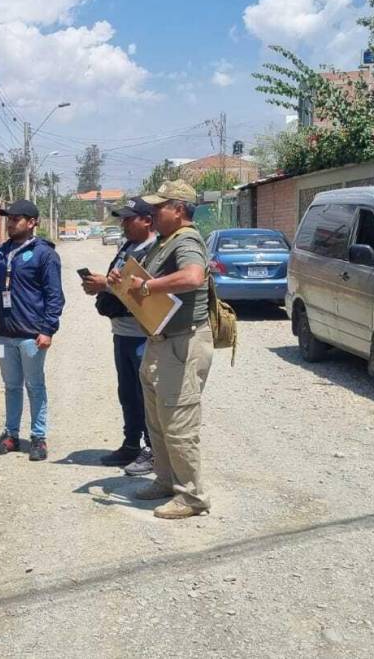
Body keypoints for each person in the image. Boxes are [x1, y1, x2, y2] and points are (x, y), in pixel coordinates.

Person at [113, 180, 214, 519]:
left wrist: (149, 285)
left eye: (160, 207)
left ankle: (192, 496)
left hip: (182, 344)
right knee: (156, 419)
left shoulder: (186, 240)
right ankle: (167, 480)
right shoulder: (166, 242)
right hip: (160, 341)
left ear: (179, 209)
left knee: (179, 421)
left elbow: (193, 277)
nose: (153, 213)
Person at [0, 199, 64, 462]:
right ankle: (11, 435)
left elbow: (54, 297)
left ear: (32, 222)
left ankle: (38, 437)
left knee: (34, 385)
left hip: (32, 335)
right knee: (11, 386)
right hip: (5, 333)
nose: (11, 223)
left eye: (16, 219)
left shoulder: (44, 254)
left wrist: (48, 329)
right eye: (9, 218)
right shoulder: (1, 253)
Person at [81, 197, 157, 474]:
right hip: (122, 331)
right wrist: (100, 285)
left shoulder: (157, 249)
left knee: (144, 393)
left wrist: (107, 285)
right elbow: (118, 282)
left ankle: (153, 449)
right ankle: (131, 445)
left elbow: (145, 289)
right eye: (122, 219)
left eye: (128, 219)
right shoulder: (129, 246)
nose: (123, 224)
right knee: (127, 393)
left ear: (147, 220)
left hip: (143, 334)